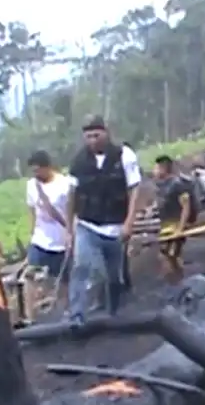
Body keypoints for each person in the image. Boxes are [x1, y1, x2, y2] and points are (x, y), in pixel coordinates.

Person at [65, 115, 142, 326]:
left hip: (116, 227)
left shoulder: (124, 155)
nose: (92, 140)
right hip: (87, 225)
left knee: (114, 277)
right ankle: (77, 315)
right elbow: (71, 195)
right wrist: (69, 230)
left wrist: (129, 222)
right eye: (88, 136)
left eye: (96, 135)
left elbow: (134, 190)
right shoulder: (78, 161)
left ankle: (113, 312)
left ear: (106, 133)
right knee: (83, 267)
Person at [25, 151, 73, 300]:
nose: (35, 174)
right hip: (39, 241)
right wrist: (32, 234)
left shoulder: (65, 184)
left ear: (48, 167)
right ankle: (32, 312)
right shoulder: (31, 185)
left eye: (38, 170)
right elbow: (32, 210)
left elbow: (73, 212)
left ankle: (64, 309)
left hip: (60, 242)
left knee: (63, 281)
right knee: (31, 278)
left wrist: (71, 234)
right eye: (33, 171)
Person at [152, 155, 198, 283]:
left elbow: (186, 206)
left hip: (175, 225)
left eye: (156, 167)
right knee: (167, 256)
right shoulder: (162, 185)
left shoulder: (178, 185)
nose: (154, 170)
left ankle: (179, 280)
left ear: (163, 168)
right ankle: (177, 280)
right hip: (165, 226)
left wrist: (180, 228)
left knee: (171, 255)